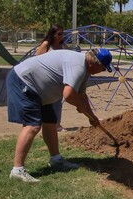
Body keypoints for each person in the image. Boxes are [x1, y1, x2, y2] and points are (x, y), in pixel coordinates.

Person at [7, 48, 113, 183]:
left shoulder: (85, 69)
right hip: (24, 81)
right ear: (95, 63)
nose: (101, 72)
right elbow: (68, 95)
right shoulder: (78, 66)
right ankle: (17, 170)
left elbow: (81, 95)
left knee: (50, 122)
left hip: (40, 91)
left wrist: (92, 117)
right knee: (32, 125)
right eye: (103, 69)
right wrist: (79, 105)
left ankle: (56, 160)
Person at [36, 24, 68, 132]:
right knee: (45, 102)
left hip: (59, 78)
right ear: (53, 34)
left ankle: (57, 125)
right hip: (46, 77)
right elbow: (37, 60)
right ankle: (42, 124)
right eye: (59, 34)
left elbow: (69, 58)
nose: (61, 36)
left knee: (58, 101)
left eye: (62, 33)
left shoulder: (63, 46)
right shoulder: (46, 45)